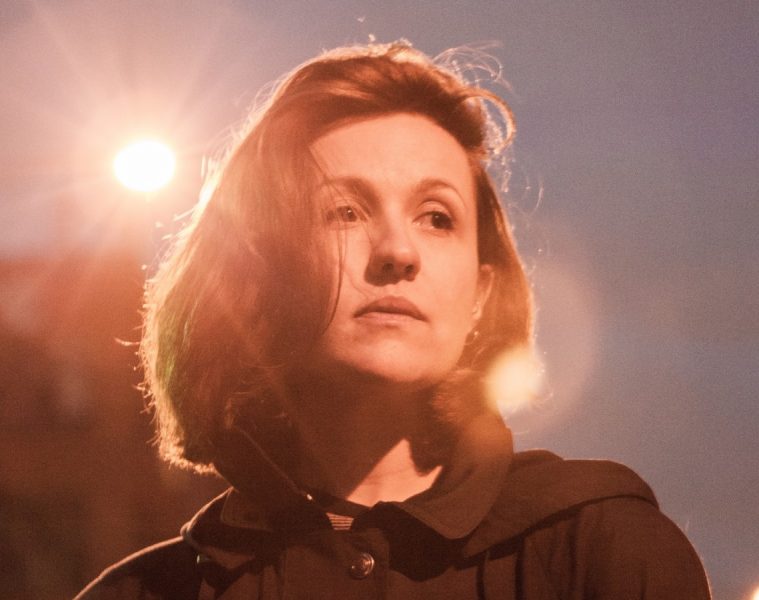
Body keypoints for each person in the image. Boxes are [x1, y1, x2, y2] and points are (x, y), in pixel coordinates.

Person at [76, 41, 710, 599]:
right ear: (256, 273)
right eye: (346, 212)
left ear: (481, 294)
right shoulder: (145, 594)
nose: (398, 251)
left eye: (437, 217)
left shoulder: (604, 552)